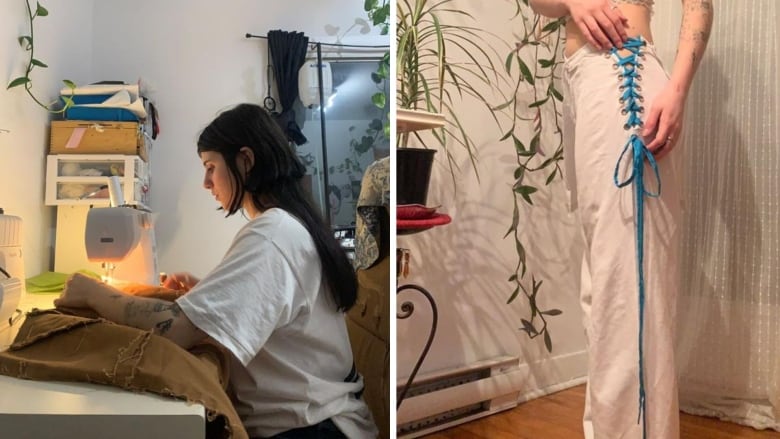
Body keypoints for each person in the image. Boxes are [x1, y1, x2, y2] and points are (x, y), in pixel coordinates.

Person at [55, 103, 378, 439]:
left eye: (210, 167)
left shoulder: (273, 234)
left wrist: (93, 292)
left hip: (313, 428)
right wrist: (211, 291)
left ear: (245, 161)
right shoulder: (290, 224)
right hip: (322, 418)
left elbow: (177, 331)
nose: (206, 182)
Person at [528, 1, 713, 438]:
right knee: (605, 285)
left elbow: (700, 4)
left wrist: (678, 91)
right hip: (584, 80)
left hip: (625, 79)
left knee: (626, 287)